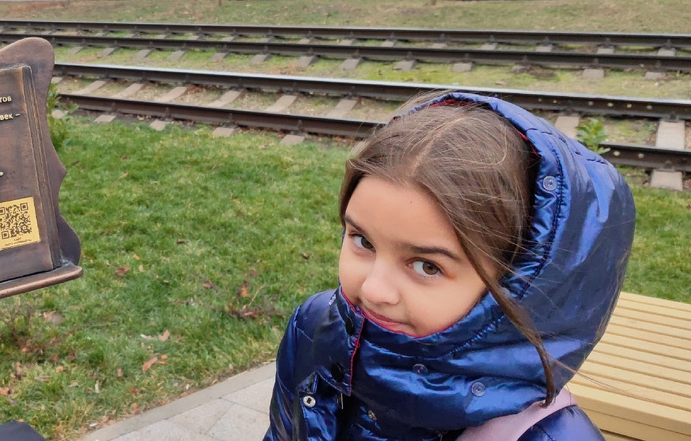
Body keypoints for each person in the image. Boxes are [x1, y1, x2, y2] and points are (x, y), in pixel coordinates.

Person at [265, 92, 635, 441]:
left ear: (519, 285)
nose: (374, 289)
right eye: (363, 241)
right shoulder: (313, 328)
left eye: (426, 266)